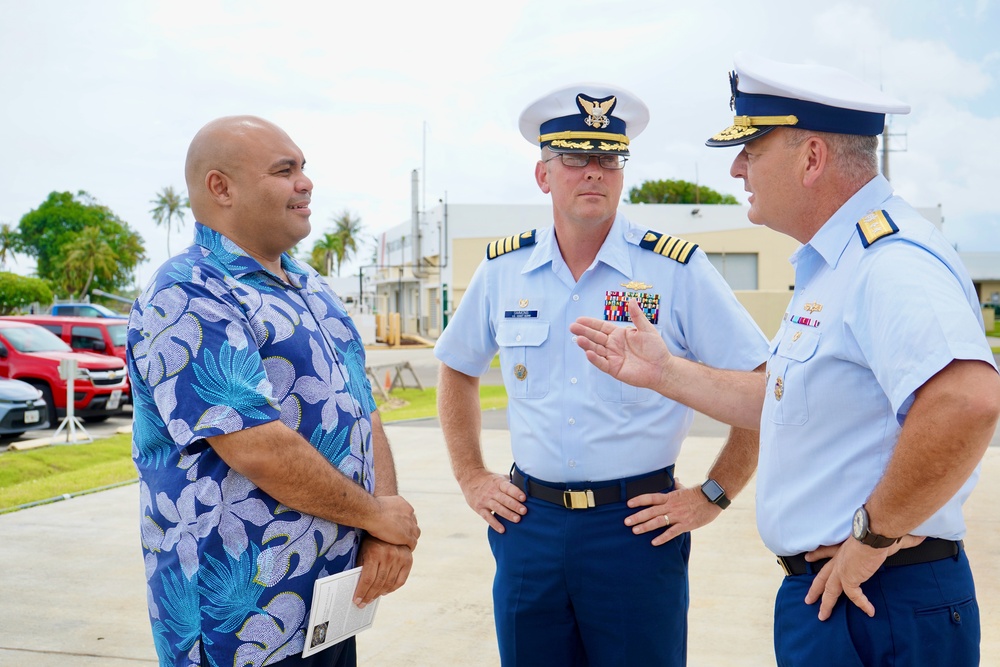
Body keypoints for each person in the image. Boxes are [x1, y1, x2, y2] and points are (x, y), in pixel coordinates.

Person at [571, 53, 1000, 666]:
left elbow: (967, 401)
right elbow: (783, 399)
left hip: (881, 597)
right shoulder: (838, 263)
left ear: (812, 158)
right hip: (844, 595)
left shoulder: (890, 261)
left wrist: (872, 536)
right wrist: (665, 372)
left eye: (753, 148)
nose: (737, 166)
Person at [434, 83, 770, 666]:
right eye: (574, 159)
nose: (594, 172)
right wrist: (470, 475)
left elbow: (762, 384)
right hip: (528, 526)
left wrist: (714, 494)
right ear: (544, 176)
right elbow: (457, 368)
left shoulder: (675, 268)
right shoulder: (503, 269)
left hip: (636, 531)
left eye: (608, 159)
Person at [126, 115, 420, 667]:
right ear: (221, 187)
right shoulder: (188, 290)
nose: (305, 182)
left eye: (304, 168)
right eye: (285, 171)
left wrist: (382, 524)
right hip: (238, 623)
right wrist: (376, 517)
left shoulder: (310, 286)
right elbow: (255, 445)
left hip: (327, 601)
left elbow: (364, 412)